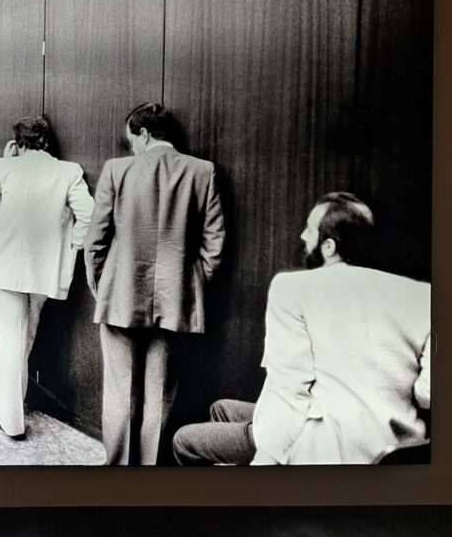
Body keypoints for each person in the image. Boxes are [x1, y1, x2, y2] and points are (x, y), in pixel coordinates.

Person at [172, 193, 432, 466]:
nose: (303, 236)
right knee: (222, 409)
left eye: (310, 229)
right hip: (398, 446)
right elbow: (428, 395)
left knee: (184, 440)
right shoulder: (422, 295)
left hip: (323, 443)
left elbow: (290, 389)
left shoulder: (292, 288)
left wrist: (265, 462)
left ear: (328, 246)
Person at [85, 102, 225, 466]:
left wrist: (102, 287)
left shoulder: (117, 170)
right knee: (160, 393)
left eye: (131, 139)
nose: (130, 146)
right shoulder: (202, 171)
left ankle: (117, 472)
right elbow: (215, 243)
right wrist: (192, 283)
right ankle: (150, 476)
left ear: (144, 134)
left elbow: (95, 240)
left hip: (120, 295)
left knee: (118, 391)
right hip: (175, 298)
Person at [0, 116, 94, 440]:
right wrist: (71, 245)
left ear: (20, 142)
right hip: (45, 269)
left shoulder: (6, 166)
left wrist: (7, 157)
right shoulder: (68, 171)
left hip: (8, 266)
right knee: (24, 340)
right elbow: (89, 213)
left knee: (12, 339)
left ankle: (11, 421)